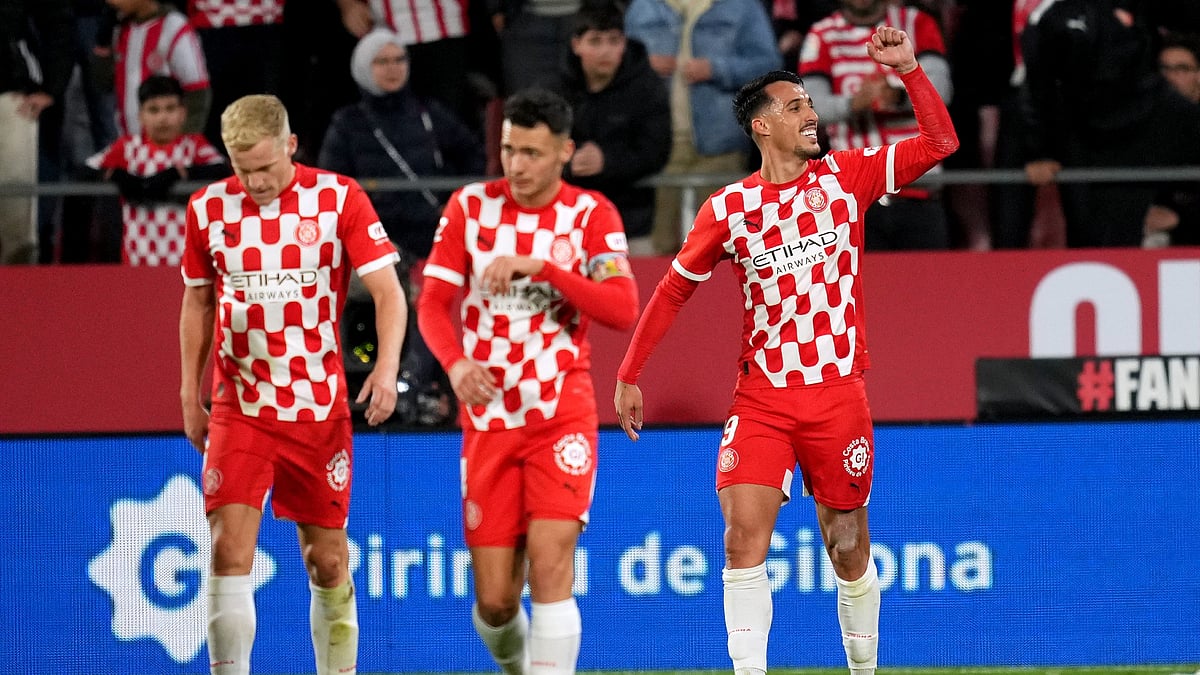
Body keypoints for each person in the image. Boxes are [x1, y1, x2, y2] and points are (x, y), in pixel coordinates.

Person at [614, 26, 958, 675]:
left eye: (809, 104)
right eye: (796, 107)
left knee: (847, 545)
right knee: (743, 539)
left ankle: (864, 669)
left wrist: (911, 70)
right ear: (762, 127)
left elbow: (942, 142)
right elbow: (671, 291)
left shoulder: (847, 177)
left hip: (837, 396)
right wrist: (631, 371)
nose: (812, 115)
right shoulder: (731, 207)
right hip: (763, 399)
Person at [179, 94, 407, 675]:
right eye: (242, 168)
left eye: (265, 166)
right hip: (241, 406)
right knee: (229, 550)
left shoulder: (338, 198)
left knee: (325, 562)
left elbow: (387, 290)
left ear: (291, 146)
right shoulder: (207, 209)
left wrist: (384, 368)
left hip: (316, 406)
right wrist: (189, 390)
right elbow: (198, 300)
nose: (255, 180)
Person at [415, 88, 639, 675]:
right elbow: (434, 304)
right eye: (510, 149)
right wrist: (457, 365)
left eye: (532, 153)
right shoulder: (469, 207)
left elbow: (620, 308)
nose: (516, 165)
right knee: (493, 601)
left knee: (550, 568)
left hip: (560, 410)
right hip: (488, 418)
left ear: (564, 151)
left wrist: (545, 269)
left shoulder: (591, 215)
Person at [1017, 0, 1200, 247]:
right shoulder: (1053, 15)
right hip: (1083, 138)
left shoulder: (1142, 10)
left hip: (1141, 129)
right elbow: (1038, 84)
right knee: (1090, 233)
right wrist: (1039, 151)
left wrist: (1181, 215)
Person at [624, 0, 781, 255]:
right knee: (659, 248)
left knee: (719, 248)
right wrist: (640, 66)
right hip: (658, 147)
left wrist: (717, 68)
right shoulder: (643, 7)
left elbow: (769, 65)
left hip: (721, 145)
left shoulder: (742, 7)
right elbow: (614, 61)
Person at [319, 27, 486, 263]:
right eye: (382, 61)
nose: (393, 68)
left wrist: (452, 205)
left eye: (399, 59)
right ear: (363, 67)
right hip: (376, 238)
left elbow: (473, 156)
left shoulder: (430, 112)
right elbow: (332, 184)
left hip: (435, 231)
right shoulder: (347, 123)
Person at [799, 0, 953, 250]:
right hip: (856, 199)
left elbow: (942, 91)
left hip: (920, 195)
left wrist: (899, 96)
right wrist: (853, 104)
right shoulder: (823, 34)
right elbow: (809, 106)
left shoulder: (916, 23)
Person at [544, 3, 671, 252]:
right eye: (595, 41)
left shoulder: (646, 86)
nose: (605, 51)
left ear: (623, 43)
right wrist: (570, 162)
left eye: (613, 41)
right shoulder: (553, 90)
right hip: (565, 225)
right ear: (576, 45)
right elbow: (540, 147)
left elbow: (656, 150)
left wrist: (607, 161)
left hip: (631, 225)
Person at [87, 75, 228, 266]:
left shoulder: (193, 146)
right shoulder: (127, 147)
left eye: (170, 108)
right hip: (136, 263)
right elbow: (85, 170)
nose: (163, 117)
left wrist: (181, 174)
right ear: (141, 115)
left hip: (187, 266)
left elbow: (225, 170)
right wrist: (115, 175)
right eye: (154, 110)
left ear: (183, 112)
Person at [0, 0, 73, 265]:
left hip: (10, 99)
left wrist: (53, 87)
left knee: (16, 221)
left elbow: (58, 23)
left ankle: (20, 297)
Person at [102, 0, 211, 136]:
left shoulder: (173, 26)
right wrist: (102, 45)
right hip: (130, 144)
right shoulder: (119, 29)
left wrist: (186, 141)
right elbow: (103, 84)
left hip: (168, 147)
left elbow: (198, 92)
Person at [1143, 32, 1200, 247]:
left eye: (1182, 69)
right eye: (1163, 69)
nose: (1169, 77)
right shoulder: (1138, 125)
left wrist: (1179, 217)